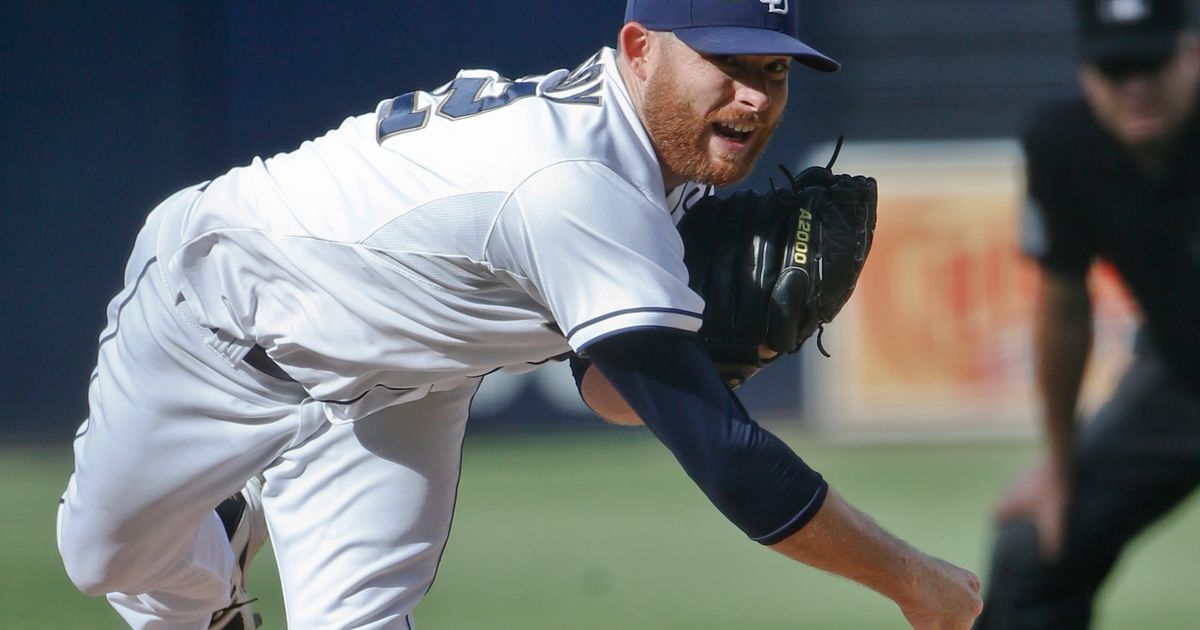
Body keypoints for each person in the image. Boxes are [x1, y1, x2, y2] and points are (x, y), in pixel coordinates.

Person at [57, 1, 982, 628]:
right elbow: (733, 466)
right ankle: (217, 536)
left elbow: (608, 390)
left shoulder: (666, 158)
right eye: (726, 64)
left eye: (773, 71)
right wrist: (918, 585)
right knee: (102, 559)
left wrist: (695, 359)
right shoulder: (580, 183)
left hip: (396, 386)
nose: (752, 95)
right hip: (219, 316)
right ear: (638, 47)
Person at [974, 0, 1200, 628]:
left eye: (1149, 64)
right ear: (1083, 74)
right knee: (1037, 545)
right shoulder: (1063, 146)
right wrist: (1061, 465)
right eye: (1113, 69)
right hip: (1184, 380)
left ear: (1192, 56)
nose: (1134, 87)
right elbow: (1065, 308)